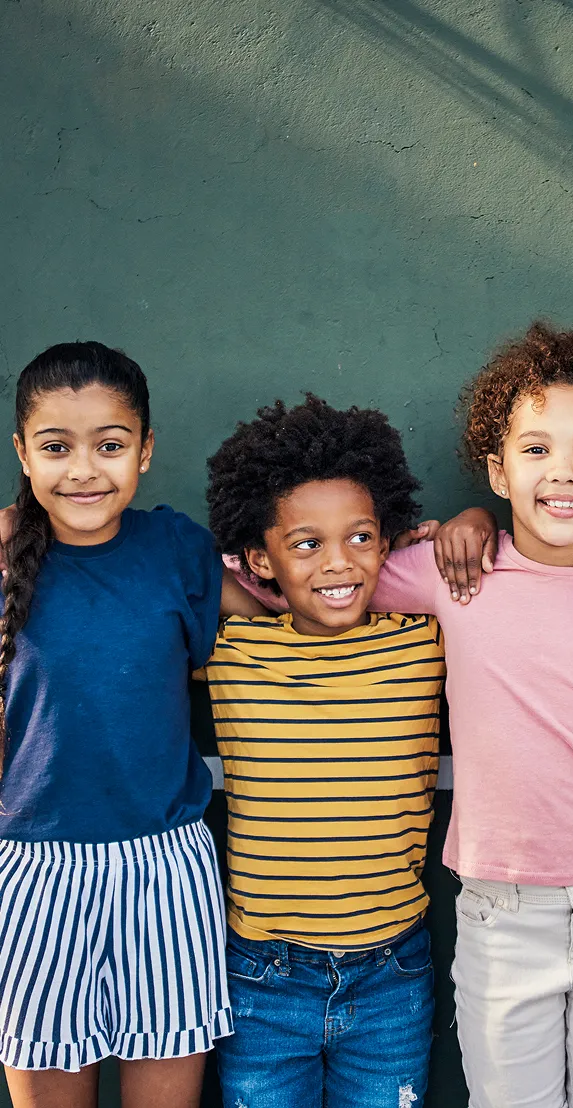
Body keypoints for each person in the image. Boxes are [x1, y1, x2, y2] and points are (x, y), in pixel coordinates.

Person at [364, 321, 573, 1108]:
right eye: (535, 449)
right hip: (503, 916)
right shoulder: (453, 573)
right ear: (497, 471)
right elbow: (328, 578)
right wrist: (450, 528)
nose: (562, 473)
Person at [0, 342, 235, 1108]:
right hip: (36, 872)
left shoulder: (178, 550)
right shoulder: (5, 564)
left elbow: (299, 605)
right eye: (56, 447)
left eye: (109, 445)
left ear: (145, 449)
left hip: (166, 869)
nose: (83, 470)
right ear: (22, 454)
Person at [203, 395, 446, 1108]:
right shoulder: (231, 648)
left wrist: (469, 524)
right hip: (262, 979)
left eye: (361, 538)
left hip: (391, 976)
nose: (338, 563)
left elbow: (526, 566)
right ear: (259, 557)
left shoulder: (423, 638)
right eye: (306, 543)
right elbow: (153, 561)